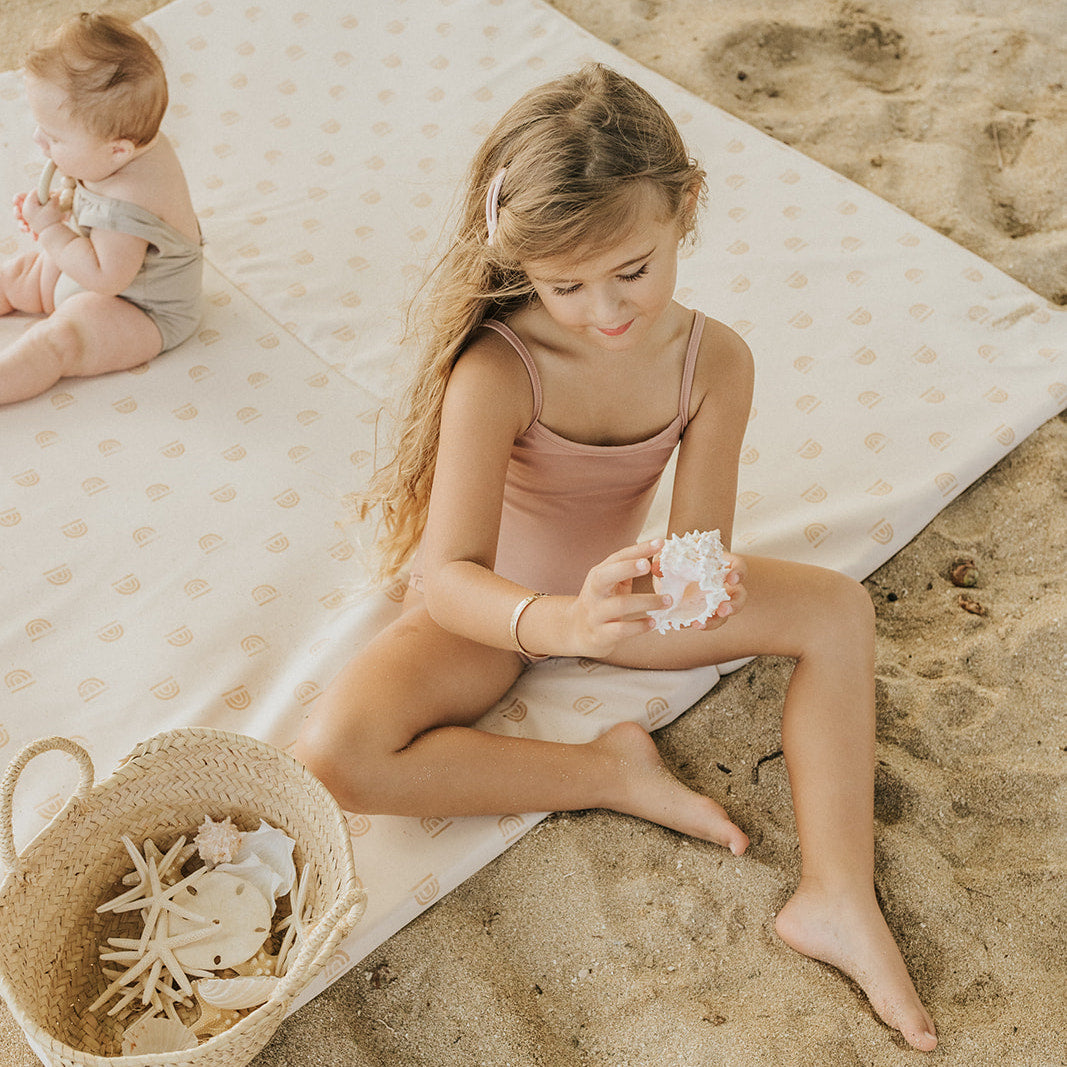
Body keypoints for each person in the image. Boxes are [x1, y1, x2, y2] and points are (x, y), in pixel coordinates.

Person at [294, 64, 937, 1051]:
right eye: (563, 286)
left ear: (683, 205)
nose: (603, 310)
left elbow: (695, 549)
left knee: (836, 611)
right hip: (492, 612)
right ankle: (603, 770)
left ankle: (834, 891)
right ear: (522, 266)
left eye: (631, 270)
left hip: (619, 601)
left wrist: (683, 583)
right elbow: (446, 576)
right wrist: (559, 622)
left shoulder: (712, 361)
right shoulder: (498, 367)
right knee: (335, 755)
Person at [0, 12, 202, 405]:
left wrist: (52, 231)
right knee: (15, 275)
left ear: (118, 149)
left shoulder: (129, 199)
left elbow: (106, 278)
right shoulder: (119, 145)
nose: (39, 140)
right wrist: (64, 205)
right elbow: (89, 189)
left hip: (139, 307)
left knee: (59, 340)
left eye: (54, 137)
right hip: (88, 264)